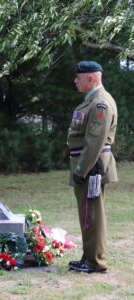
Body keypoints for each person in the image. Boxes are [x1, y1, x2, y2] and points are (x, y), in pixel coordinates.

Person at [67, 61, 118, 273]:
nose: (75, 81)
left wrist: (81, 170)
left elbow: (94, 141)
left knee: (92, 215)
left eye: (79, 77)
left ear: (91, 78)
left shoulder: (100, 103)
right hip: (87, 166)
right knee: (88, 214)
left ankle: (95, 262)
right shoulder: (93, 101)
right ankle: (89, 256)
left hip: (91, 168)